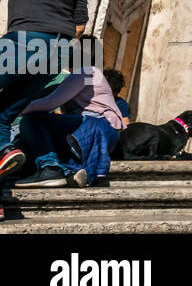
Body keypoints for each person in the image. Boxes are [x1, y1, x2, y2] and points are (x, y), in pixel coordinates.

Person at [0, 0, 89, 179]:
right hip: (57, 50)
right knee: (4, 114)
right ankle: (5, 150)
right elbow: (80, 26)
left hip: (25, 39)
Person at [13, 49, 126, 189]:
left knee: (31, 121)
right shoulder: (91, 74)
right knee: (32, 141)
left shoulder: (86, 71)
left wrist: (12, 110)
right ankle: (70, 174)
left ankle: (50, 168)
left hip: (94, 127)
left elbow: (50, 103)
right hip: (103, 133)